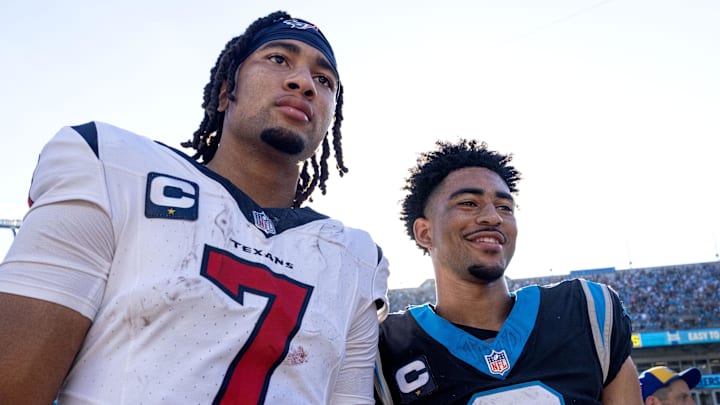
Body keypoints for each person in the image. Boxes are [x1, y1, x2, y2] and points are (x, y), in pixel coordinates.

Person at [0, 10, 389, 405]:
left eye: (324, 81)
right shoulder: (111, 166)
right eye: (278, 59)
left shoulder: (355, 259)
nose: (303, 82)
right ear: (225, 91)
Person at [374, 139, 642, 404]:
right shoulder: (388, 346)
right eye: (468, 203)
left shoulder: (585, 311)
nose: (493, 217)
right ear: (425, 232)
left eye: (505, 207)